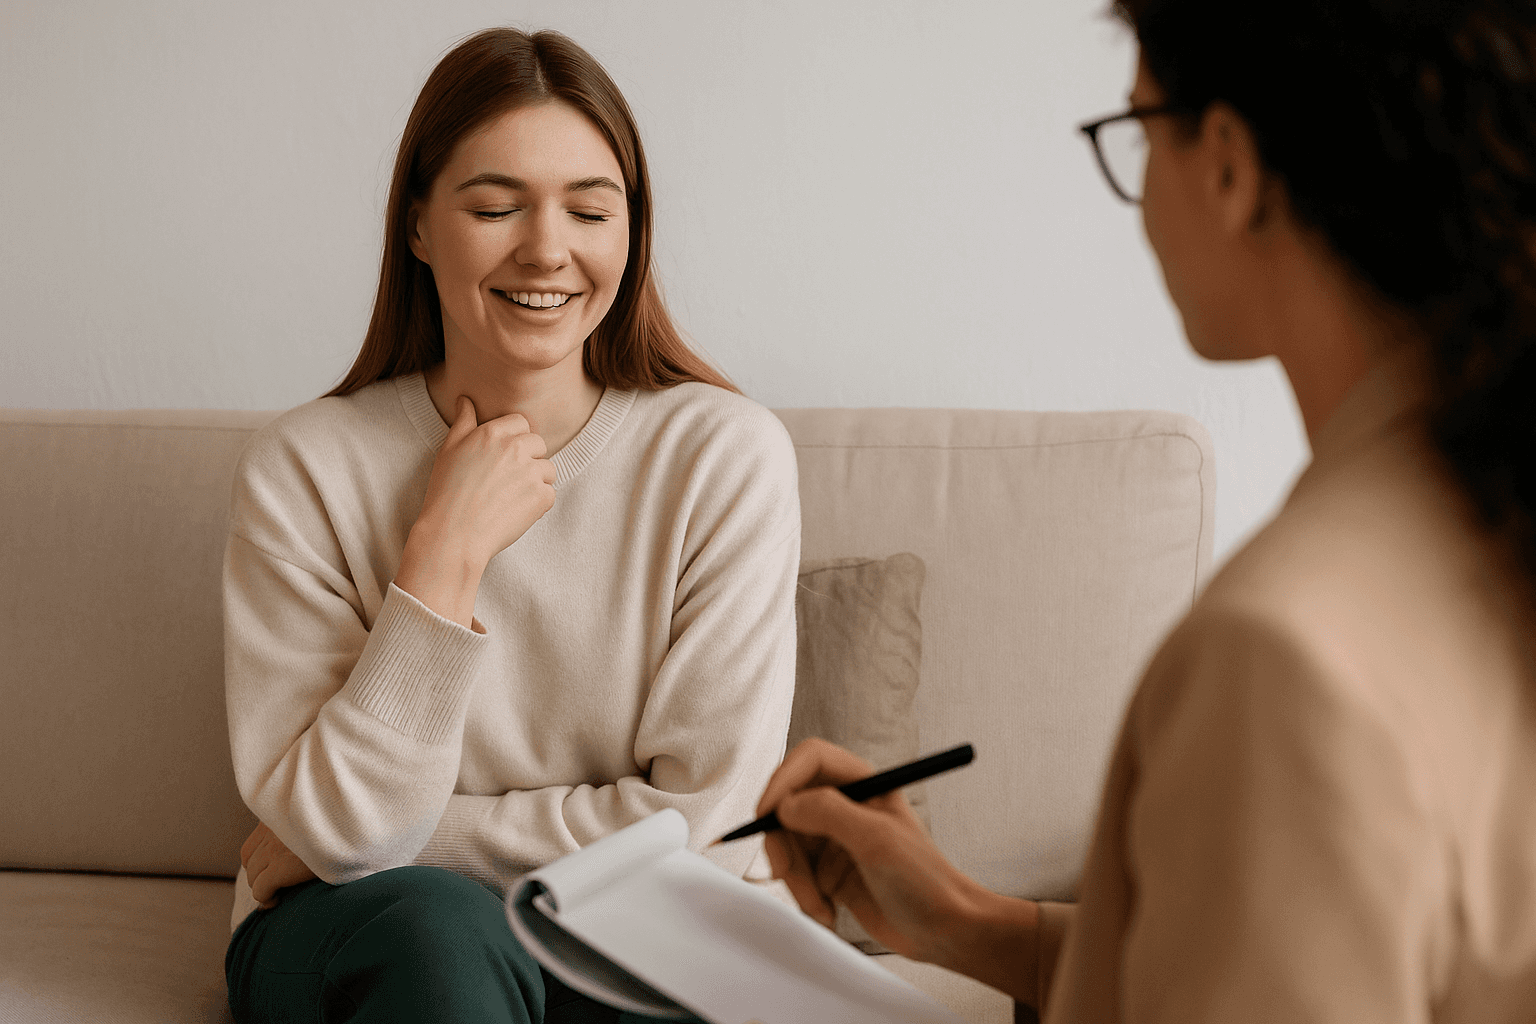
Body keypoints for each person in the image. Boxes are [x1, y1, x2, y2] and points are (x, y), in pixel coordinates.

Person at [757, 1, 1536, 1020]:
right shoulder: (1477, 524)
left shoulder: (1285, 659)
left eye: (1136, 130)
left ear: (1227, 165)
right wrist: (964, 917)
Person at [221, 27, 799, 1024]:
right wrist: (443, 555)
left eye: (589, 209)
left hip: (641, 920)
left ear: (631, 232)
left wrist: (404, 830)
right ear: (417, 227)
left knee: (703, 959)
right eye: (495, 207)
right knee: (440, 934)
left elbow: (704, 820)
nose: (547, 248)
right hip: (374, 928)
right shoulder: (307, 467)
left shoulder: (723, 455)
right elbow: (346, 845)